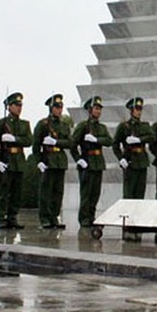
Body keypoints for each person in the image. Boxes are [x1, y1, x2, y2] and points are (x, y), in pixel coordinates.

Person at [0, 92, 33, 230]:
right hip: (6, 160)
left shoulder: (24, 124)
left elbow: (28, 141)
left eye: (20, 105)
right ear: (9, 107)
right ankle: (2, 218)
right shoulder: (1, 123)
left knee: (16, 192)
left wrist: (14, 139)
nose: (19, 108)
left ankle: (12, 217)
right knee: (3, 192)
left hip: (19, 161)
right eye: (16, 105)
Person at [71, 96, 112, 228]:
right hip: (87, 162)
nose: (98, 111)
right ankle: (84, 218)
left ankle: (91, 216)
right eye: (96, 108)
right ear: (90, 110)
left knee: (95, 193)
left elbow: (109, 141)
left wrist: (96, 140)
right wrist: (79, 160)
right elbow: (73, 144)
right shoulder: (83, 126)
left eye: (100, 109)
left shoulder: (102, 127)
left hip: (98, 162)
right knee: (86, 193)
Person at [33, 94, 71, 229]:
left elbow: (70, 142)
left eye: (61, 107)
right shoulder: (43, 124)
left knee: (57, 192)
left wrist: (56, 142)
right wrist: (39, 161)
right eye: (56, 107)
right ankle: (45, 218)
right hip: (48, 160)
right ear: (51, 108)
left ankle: (54, 216)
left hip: (60, 160)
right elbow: (36, 145)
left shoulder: (64, 125)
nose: (59, 109)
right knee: (46, 191)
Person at [112, 97, 156, 199]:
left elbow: (152, 137)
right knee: (129, 195)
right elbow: (115, 144)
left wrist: (139, 140)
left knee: (140, 194)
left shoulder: (145, 125)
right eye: (137, 109)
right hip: (130, 162)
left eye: (140, 109)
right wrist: (121, 158)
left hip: (142, 162)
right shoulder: (124, 126)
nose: (139, 112)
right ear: (131, 110)